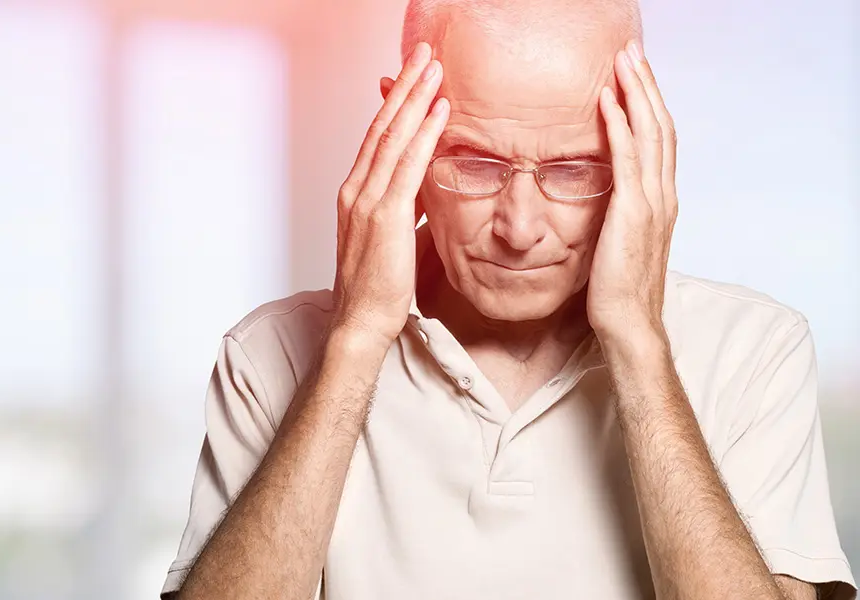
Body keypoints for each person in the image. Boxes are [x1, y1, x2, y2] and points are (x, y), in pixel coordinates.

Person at [161, 0, 856, 598]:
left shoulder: (756, 351)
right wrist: (356, 341)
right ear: (401, 133)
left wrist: (638, 343)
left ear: (640, 151)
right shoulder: (266, 355)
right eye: (475, 161)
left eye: (574, 168)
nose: (520, 229)